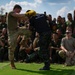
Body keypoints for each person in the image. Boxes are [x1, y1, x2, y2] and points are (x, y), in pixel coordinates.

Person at [6, 4, 29, 69]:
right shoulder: (11, 13)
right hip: (11, 32)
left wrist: (31, 17)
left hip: (17, 29)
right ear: (16, 8)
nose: (19, 12)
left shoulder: (16, 14)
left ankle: (23, 41)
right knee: (12, 47)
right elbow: (18, 15)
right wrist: (28, 14)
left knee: (29, 31)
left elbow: (23, 17)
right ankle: (12, 63)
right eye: (19, 10)